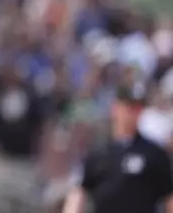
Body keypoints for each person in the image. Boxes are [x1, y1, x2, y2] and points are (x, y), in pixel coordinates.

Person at [62, 83, 173, 213]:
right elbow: (80, 192)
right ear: (116, 107)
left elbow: (169, 196)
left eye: (138, 108)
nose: (134, 113)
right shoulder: (98, 152)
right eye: (130, 107)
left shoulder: (154, 153)